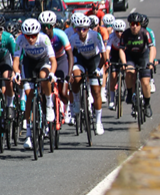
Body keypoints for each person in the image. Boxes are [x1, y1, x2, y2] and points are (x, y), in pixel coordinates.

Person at [12, 19, 57, 150]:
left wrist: (52, 73)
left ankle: (49, 103)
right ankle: (29, 135)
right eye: (28, 36)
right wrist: (17, 73)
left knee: (44, 77)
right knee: (28, 95)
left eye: (33, 36)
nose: (31, 39)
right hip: (28, 64)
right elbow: (16, 60)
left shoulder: (44, 39)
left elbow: (53, 60)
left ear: (38, 33)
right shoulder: (20, 39)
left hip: (43, 62)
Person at [68, 15, 107, 135]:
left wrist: (99, 69)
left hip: (94, 60)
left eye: (84, 29)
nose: (81, 32)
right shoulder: (73, 38)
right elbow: (69, 55)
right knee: (76, 76)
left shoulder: (95, 36)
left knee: (96, 91)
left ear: (88, 29)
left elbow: (104, 56)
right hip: (80, 59)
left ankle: (98, 122)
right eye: (79, 29)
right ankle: (76, 101)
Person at [119, 13, 154, 118]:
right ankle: (130, 92)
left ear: (140, 24)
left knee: (145, 82)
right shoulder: (125, 34)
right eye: (132, 24)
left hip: (143, 56)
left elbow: (152, 48)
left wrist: (151, 62)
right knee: (129, 72)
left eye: (136, 24)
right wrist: (124, 63)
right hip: (130, 56)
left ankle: (147, 104)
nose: (134, 26)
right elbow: (121, 49)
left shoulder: (145, 33)